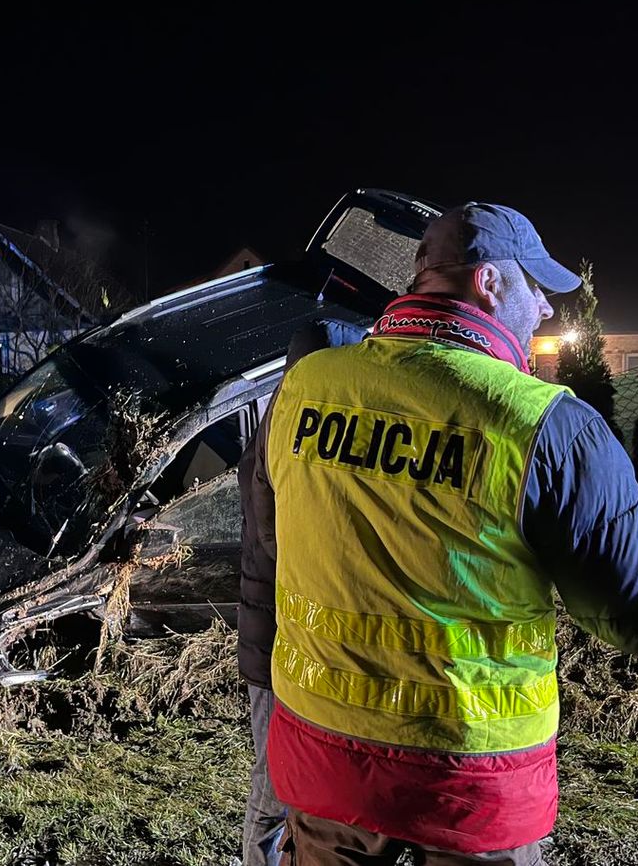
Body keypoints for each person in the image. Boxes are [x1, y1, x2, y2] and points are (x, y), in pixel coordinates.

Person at [249, 202, 638, 866]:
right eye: (535, 286)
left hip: (322, 774)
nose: (545, 309)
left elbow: (273, 552)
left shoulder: (303, 389)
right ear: (489, 282)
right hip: (466, 796)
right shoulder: (543, 424)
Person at [238, 319, 367, 866]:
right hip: (278, 651)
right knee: (274, 794)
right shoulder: (286, 442)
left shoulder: (297, 432)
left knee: (299, 790)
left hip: (295, 649)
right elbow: (282, 546)